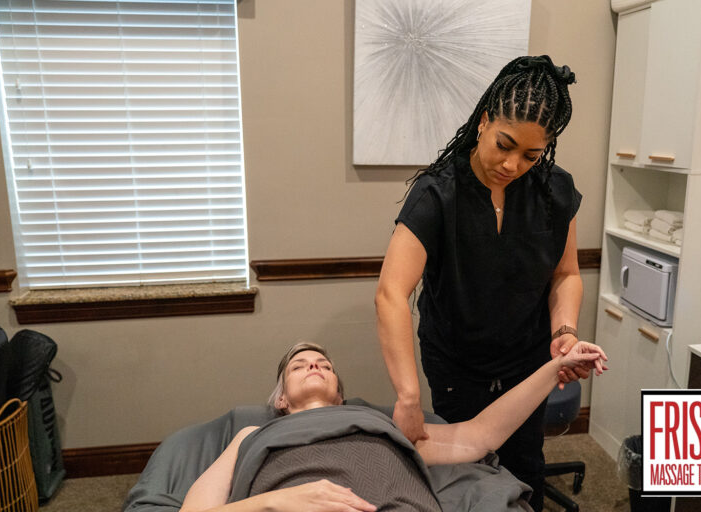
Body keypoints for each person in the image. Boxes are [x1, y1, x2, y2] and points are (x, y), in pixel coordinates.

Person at [374, 54, 582, 511]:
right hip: (457, 362)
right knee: (465, 475)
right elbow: (391, 293)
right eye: (504, 145)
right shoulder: (438, 192)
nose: (512, 164)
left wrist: (564, 331)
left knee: (525, 466)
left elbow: (566, 274)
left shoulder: (555, 191)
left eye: (530, 155)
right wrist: (407, 395)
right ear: (485, 121)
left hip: (526, 358)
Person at [179, 341, 607, 512]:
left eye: (324, 363)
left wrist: (556, 367)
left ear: (340, 396)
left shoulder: (378, 424)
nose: (314, 365)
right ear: (280, 400)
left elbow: (479, 437)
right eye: (299, 365)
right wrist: (280, 500)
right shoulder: (251, 436)